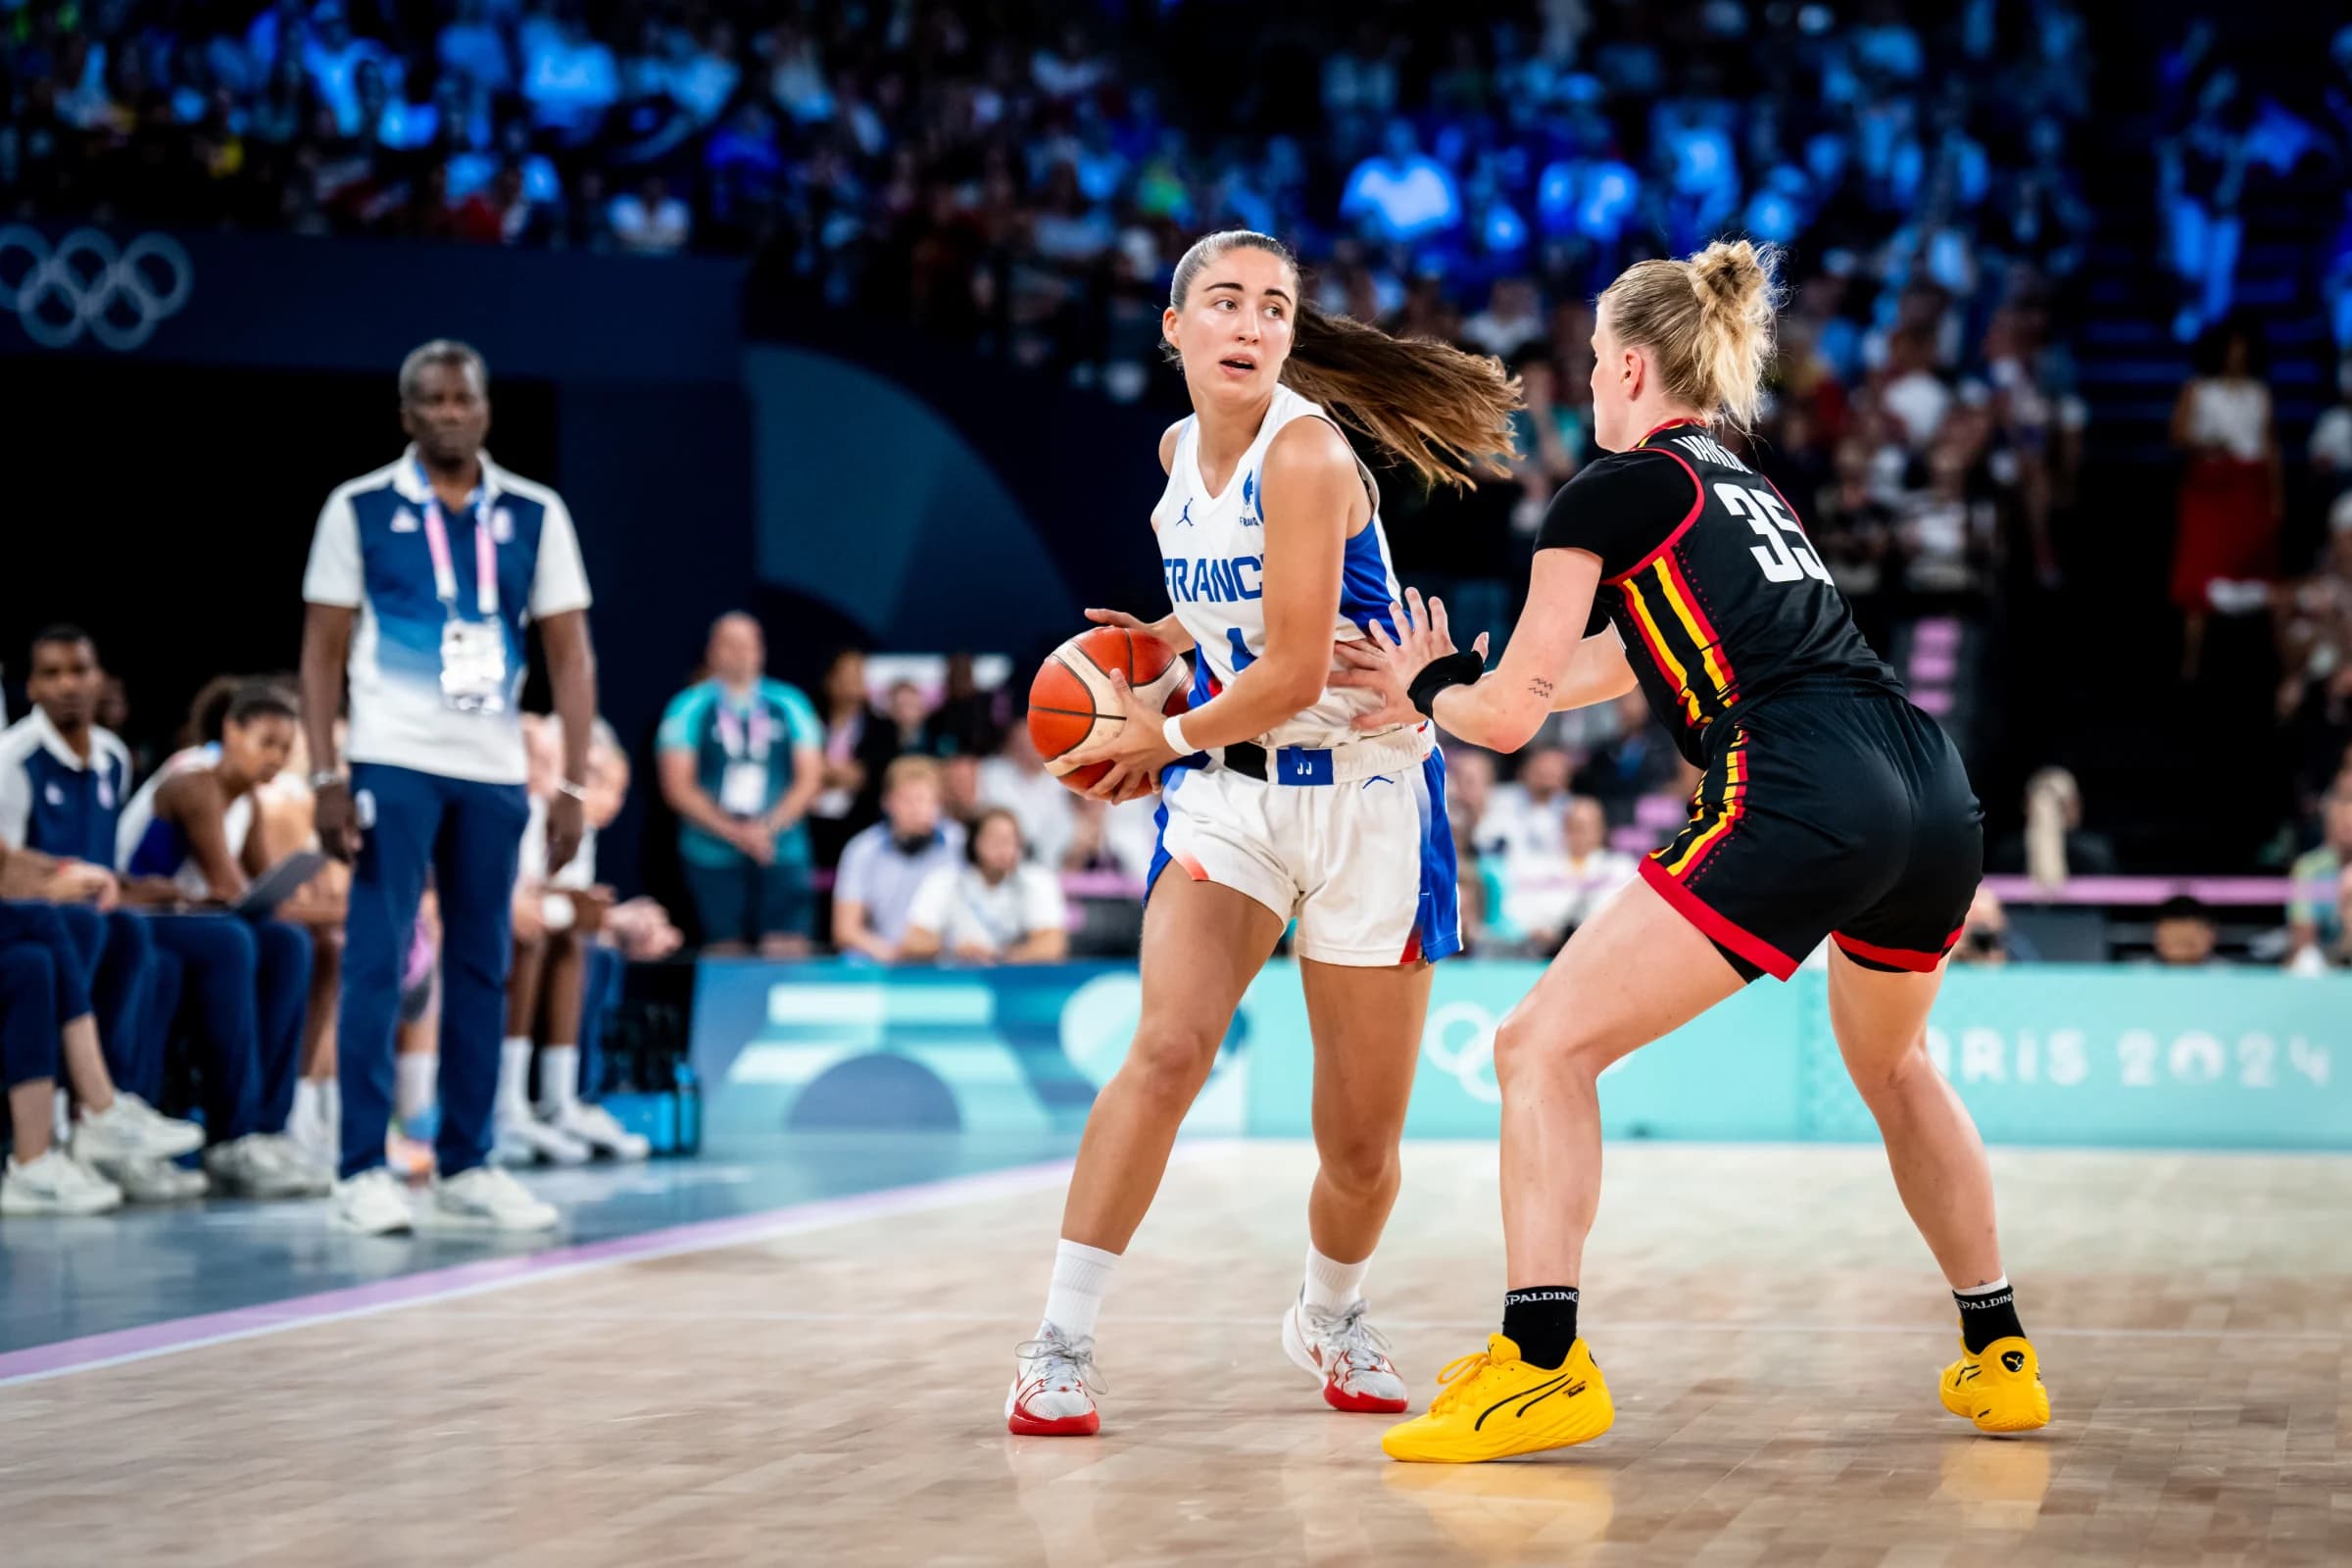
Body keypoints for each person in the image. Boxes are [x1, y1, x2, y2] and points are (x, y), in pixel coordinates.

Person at [1334, 238, 2050, 1461]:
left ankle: (1542, 1365)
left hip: (1803, 781)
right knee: (1900, 1067)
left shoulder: (1606, 490)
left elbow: (1506, 715)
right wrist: (1465, 683)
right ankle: (2002, 1354)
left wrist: (1433, 679)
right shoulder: (1741, 485)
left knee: (1539, 1046)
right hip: (1927, 785)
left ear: (1620, 368)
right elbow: (1612, 665)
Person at [1003, 228, 1518, 1439]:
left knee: (1359, 1145)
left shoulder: (1309, 456)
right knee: (1168, 1050)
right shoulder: (1180, 449)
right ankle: (1058, 1342)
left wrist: (1155, 735)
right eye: (1224, 303)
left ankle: (1328, 1310)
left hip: (1370, 801)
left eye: (1273, 308)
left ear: (1290, 337)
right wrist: (1175, 644)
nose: (1249, 325)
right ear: (1174, 327)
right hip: (1233, 798)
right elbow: (1239, 599)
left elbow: (1293, 667)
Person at [299, 337, 599, 1235]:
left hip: (495, 767)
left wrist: (574, 784)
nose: (448, 412)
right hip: (393, 755)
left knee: (482, 962)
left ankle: (469, 1161)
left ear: (485, 409)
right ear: (406, 415)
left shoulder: (537, 513)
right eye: (430, 400)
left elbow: (571, 656)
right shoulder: (357, 508)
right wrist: (324, 770)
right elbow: (318, 653)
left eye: (462, 398)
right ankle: (360, 1168)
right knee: (377, 958)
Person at [116, 683, 328, 1199]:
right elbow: (229, 887)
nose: (276, 758)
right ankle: (231, 1133)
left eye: (285, 746)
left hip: (196, 924)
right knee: (235, 940)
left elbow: (259, 893)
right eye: (265, 742)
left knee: (288, 944)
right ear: (231, 732)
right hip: (140, 915)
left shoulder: (247, 803)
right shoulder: (195, 785)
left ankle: (268, 1127)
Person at [656, 612, 824, 956]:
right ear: (712, 651)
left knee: (787, 947)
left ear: (761, 650)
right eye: (729, 644)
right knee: (724, 950)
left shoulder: (790, 703)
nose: (739, 653)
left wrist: (766, 829)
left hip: (781, 847)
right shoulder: (688, 706)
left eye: (748, 644)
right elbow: (677, 787)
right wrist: (737, 833)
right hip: (711, 852)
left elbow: (809, 780)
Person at [2169, 321, 2281, 680]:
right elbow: (2178, 435)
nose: (2238, 354)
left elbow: (2269, 446)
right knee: (2199, 573)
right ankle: (2192, 660)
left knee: (2256, 569)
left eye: (2243, 346)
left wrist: (2277, 497)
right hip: (2210, 485)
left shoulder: (2259, 392)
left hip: (2248, 486)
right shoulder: (2198, 389)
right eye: (2232, 347)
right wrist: (2208, 445)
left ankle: (2270, 661)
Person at [830, 756, 964, 962]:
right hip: (882, 958)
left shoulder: (960, 844)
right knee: (851, 960)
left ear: (940, 804)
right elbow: (845, 931)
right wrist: (890, 953)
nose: (916, 809)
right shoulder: (862, 850)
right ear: (887, 802)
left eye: (924, 799)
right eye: (907, 800)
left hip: (946, 958)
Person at [903, 808, 1069, 964]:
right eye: (995, 839)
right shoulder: (944, 881)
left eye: (1011, 840)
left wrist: (999, 955)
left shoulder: (1038, 881)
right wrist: (952, 948)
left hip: (1018, 982)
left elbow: (1052, 946)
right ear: (974, 842)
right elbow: (914, 941)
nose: (1004, 848)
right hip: (959, 980)